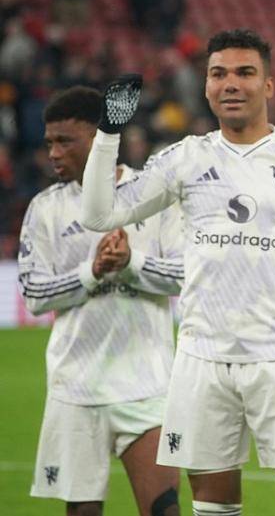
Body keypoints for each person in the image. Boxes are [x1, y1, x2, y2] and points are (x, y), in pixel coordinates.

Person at [80, 29, 275, 516]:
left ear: (268, 85)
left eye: (245, 73)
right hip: (201, 360)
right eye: (218, 73)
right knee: (212, 503)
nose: (230, 83)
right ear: (206, 86)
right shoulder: (183, 159)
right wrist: (107, 134)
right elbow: (100, 215)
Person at [19, 85, 183, 516]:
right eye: (49, 143)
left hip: (147, 385)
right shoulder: (45, 209)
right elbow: (34, 294)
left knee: (165, 510)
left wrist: (130, 262)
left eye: (65, 141)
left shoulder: (154, 195)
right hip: (75, 387)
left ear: (99, 137)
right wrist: (90, 272)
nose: (54, 153)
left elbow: (186, 275)